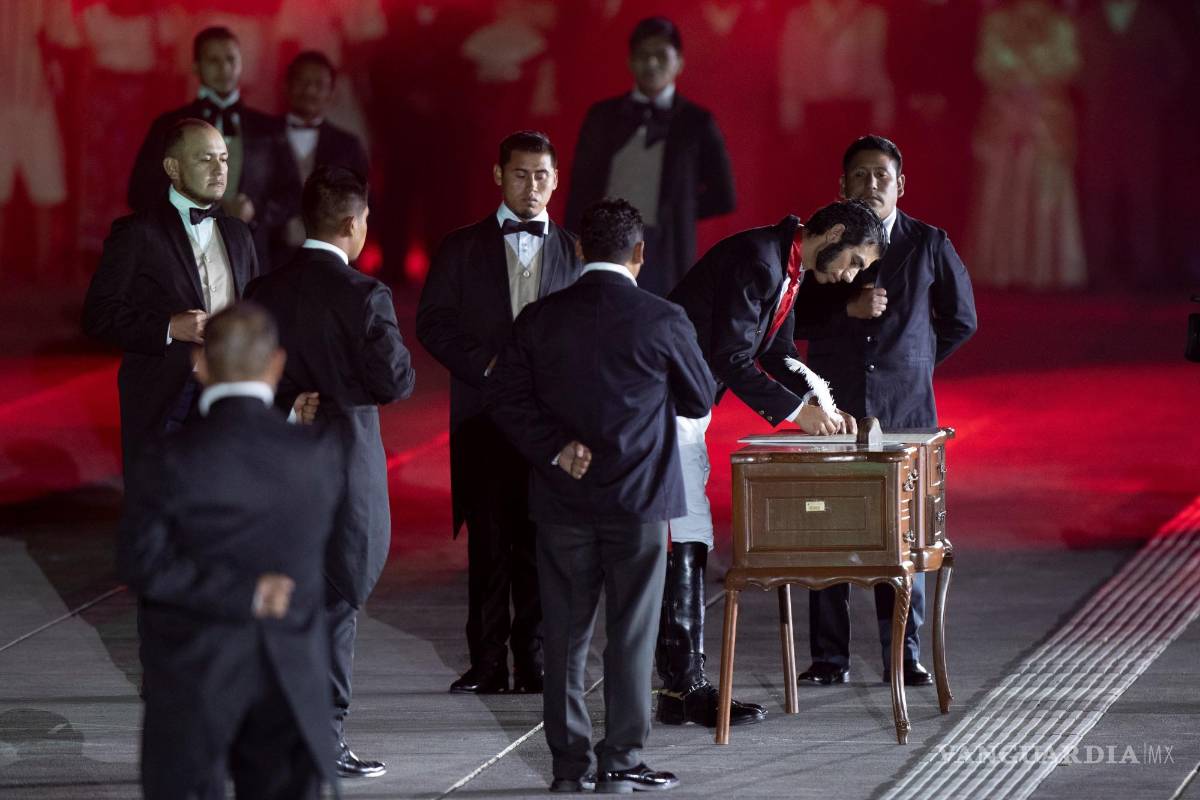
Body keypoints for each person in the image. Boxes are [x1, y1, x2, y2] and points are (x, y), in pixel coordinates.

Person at [487, 198, 713, 794]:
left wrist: (557, 444)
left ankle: (569, 767)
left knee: (563, 636)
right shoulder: (663, 319)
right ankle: (622, 759)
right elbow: (698, 398)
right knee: (631, 635)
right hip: (639, 502)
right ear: (640, 253)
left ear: (579, 249)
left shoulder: (539, 318)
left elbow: (505, 401)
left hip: (562, 499)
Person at [660, 199, 887, 727]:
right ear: (830, 233)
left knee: (689, 535)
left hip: (686, 403)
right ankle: (683, 687)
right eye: (853, 261)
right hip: (664, 400)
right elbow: (731, 356)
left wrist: (822, 405)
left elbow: (777, 350)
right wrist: (795, 414)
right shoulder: (760, 260)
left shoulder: (788, 264)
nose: (851, 275)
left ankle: (679, 687)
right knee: (687, 533)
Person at [118, 302, 343, 800]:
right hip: (290, 673)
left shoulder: (167, 458)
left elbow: (141, 563)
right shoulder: (316, 456)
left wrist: (242, 594)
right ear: (277, 363)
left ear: (200, 364)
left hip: (195, 671)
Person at [246, 165, 414, 779]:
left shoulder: (263, 291)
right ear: (352, 223)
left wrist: (291, 401)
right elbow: (396, 381)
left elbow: (243, 377)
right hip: (345, 464)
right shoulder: (365, 295)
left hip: (276, 465)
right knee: (337, 601)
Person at [793, 135, 977, 687]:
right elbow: (788, 319)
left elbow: (962, 318)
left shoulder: (928, 242)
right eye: (859, 176)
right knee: (825, 527)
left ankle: (905, 654)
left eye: (881, 176)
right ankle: (829, 659)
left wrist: (916, 362)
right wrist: (842, 309)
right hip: (834, 404)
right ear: (841, 185)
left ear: (901, 185)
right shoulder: (823, 239)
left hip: (905, 411)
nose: (870, 185)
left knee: (903, 536)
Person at [416, 130, 582, 696]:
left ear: (556, 180)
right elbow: (432, 322)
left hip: (547, 423)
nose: (531, 186)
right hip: (483, 417)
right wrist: (484, 365)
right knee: (487, 546)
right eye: (520, 174)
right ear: (498, 176)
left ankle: (532, 660)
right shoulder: (461, 247)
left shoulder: (575, 252)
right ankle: (486, 663)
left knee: (539, 546)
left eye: (541, 175)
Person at [84, 118, 261, 478]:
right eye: (205, 159)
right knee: (160, 509)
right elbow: (97, 315)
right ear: (172, 168)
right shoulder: (137, 233)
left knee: (223, 507)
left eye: (224, 159)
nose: (219, 169)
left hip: (230, 394)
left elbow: (256, 309)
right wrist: (167, 327)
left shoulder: (239, 234)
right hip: (166, 397)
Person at [565, 16, 735, 297]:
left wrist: (678, 209)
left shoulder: (697, 122)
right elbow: (579, 190)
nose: (651, 64)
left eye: (660, 55)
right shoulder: (602, 117)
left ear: (679, 61)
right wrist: (571, 246)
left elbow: (725, 196)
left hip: (664, 250)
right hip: (601, 245)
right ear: (630, 61)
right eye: (643, 55)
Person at [127, 26, 301, 271]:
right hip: (184, 256)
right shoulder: (169, 125)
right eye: (213, 60)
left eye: (231, 59)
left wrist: (256, 210)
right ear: (196, 66)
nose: (224, 68)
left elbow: (293, 192)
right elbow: (139, 192)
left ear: (242, 63)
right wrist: (188, 211)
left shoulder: (268, 129)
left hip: (251, 257)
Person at [282, 50, 370, 185]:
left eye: (319, 84)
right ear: (286, 85)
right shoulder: (259, 137)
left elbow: (363, 199)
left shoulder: (348, 146)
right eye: (301, 81)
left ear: (331, 92)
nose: (309, 90)